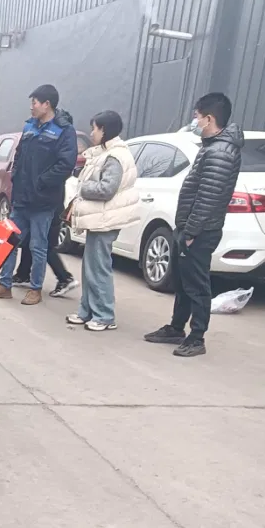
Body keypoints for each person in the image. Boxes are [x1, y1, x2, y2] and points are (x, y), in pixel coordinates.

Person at [144, 93, 243, 357]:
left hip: (200, 230)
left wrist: (191, 232)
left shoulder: (221, 151)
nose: (195, 121)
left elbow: (209, 197)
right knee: (183, 279)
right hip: (190, 228)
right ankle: (177, 327)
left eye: (198, 117)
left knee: (197, 285)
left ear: (209, 118)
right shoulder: (212, 147)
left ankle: (197, 337)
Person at [0, 84, 78, 305]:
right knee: (8, 242)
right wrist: (16, 176)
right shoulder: (29, 127)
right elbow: (19, 155)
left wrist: (41, 183)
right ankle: (4, 284)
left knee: (38, 246)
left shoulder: (64, 131)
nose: (31, 107)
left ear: (47, 104)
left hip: (43, 202)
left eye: (35, 103)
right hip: (21, 200)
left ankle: (35, 289)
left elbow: (66, 165)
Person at [63, 111, 140, 331]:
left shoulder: (115, 156)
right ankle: (87, 311)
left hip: (105, 219)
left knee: (98, 268)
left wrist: (81, 186)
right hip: (100, 218)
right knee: (90, 267)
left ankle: (105, 315)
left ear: (104, 130)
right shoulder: (105, 152)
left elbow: (107, 188)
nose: (91, 133)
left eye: (94, 128)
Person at [12, 203, 78, 297]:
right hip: (45, 208)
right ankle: (22, 274)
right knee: (29, 240)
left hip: (48, 209)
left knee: (44, 247)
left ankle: (65, 278)